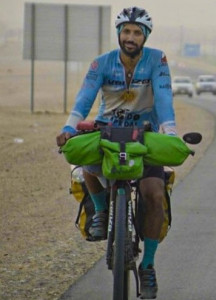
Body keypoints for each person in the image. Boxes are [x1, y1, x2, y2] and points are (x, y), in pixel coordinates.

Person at [55, 6, 174, 298]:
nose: (131, 37)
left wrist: (170, 132)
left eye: (137, 32)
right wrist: (69, 127)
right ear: (119, 34)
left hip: (145, 135)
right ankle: (101, 209)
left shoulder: (157, 59)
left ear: (145, 36)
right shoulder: (102, 63)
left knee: (154, 194)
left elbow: (164, 96)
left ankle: (147, 265)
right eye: (126, 31)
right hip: (107, 130)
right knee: (85, 160)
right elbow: (84, 98)